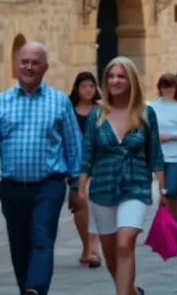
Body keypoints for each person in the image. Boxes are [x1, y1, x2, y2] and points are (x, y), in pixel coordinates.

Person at [0, 41, 83, 295]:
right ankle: (27, 289)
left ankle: (35, 289)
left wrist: (76, 186)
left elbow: (73, 146)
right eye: (24, 61)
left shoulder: (59, 102)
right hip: (12, 187)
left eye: (35, 62)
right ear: (16, 65)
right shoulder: (0, 103)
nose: (28, 66)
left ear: (45, 68)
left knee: (42, 238)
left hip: (49, 184)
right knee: (19, 245)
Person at [80, 57, 165, 295]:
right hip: (102, 190)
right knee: (111, 255)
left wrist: (165, 190)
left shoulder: (146, 113)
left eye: (121, 76)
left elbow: (155, 154)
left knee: (124, 243)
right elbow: (86, 155)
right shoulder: (96, 115)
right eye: (111, 76)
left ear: (131, 80)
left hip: (136, 187)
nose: (115, 80)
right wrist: (79, 189)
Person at [68, 71, 102, 268]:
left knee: (97, 203)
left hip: (99, 162)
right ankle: (87, 245)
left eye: (91, 86)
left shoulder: (102, 110)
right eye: (83, 86)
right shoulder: (69, 110)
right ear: (77, 89)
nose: (88, 90)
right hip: (75, 164)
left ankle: (93, 249)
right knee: (80, 203)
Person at [150, 73, 177, 221]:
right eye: (164, 86)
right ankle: (165, 226)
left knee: (172, 190)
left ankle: (174, 221)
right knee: (163, 191)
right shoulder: (152, 107)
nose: (167, 89)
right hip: (159, 155)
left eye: (170, 86)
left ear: (176, 88)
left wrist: (170, 136)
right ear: (159, 88)